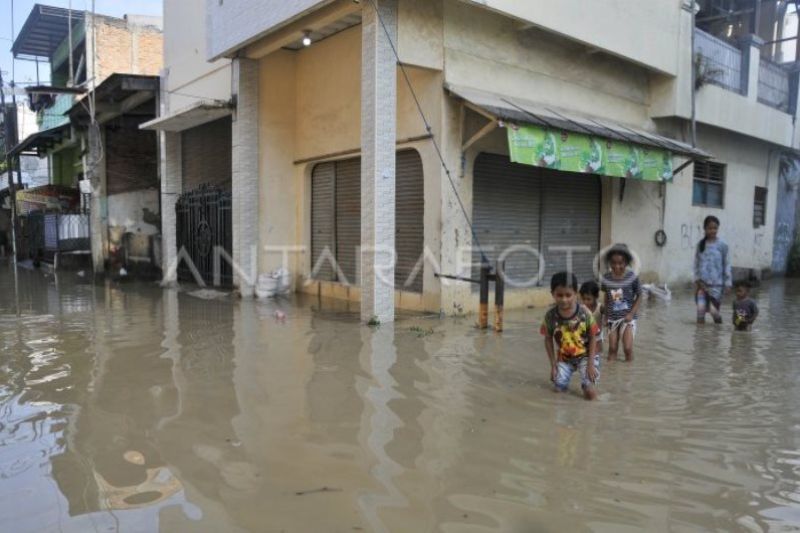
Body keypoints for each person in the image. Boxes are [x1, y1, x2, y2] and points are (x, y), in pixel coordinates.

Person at [541, 272, 600, 400]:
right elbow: (547, 339)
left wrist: (590, 363)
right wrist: (553, 365)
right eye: (559, 295)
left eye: (568, 295)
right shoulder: (550, 316)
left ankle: (593, 415)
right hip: (564, 358)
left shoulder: (585, 313)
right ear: (553, 294)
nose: (564, 299)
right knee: (558, 390)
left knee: (589, 392)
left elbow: (594, 336)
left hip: (586, 356)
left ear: (575, 294)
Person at [601, 243, 641, 362]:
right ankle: (611, 376)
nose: (616, 266)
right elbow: (606, 297)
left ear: (626, 262)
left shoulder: (632, 277)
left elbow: (639, 295)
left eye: (620, 263)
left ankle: (628, 376)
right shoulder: (606, 278)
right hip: (612, 318)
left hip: (628, 318)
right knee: (612, 348)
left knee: (627, 349)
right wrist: (606, 316)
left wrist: (631, 314)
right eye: (613, 263)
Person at [694, 215, 732, 324]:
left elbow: (727, 264)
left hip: (717, 286)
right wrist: (696, 279)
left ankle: (717, 333)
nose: (713, 231)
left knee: (714, 312)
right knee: (700, 313)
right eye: (710, 228)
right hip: (702, 285)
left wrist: (728, 283)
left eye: (715, 228)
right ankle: (700, 336)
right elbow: (696, 263)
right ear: (705, 229)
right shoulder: (700, 245)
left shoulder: (723, 245)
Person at [580, 280, 604, 353]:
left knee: (597, 355)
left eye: (588, 299)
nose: (585, 302)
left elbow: (609, 315)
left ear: (596, 297)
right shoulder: (580, 308)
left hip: (597, 337)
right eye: (583, 299)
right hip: (584, 337)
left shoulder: (600, 307)